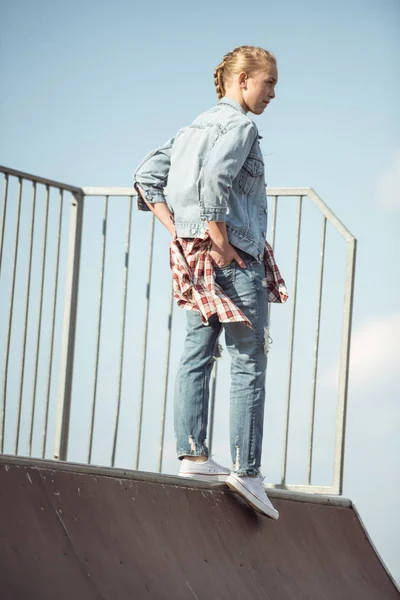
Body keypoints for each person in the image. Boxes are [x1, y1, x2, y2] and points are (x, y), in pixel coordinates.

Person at [133, 45, 285, 519]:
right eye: (269, 83)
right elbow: (215, 183)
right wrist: (219, 240)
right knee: (248, 361)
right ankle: (248, 472)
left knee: (197, 354)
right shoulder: (241, 126)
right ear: (242, 81)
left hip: (195, 258)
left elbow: (145, 178)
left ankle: (194, 457)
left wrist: (180, 233)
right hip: (231, 257)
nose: (273, 94)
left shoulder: (191, 128)